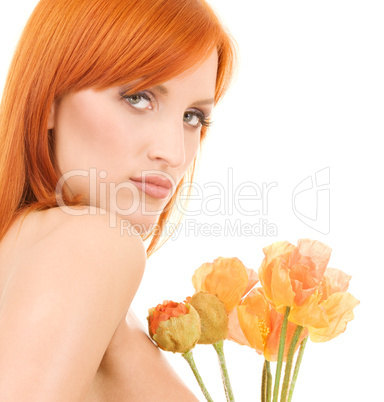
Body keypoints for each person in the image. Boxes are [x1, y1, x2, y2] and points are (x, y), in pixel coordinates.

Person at [0, 0, 236, 400]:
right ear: (49, 100)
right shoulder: (96, 244)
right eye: (139, 97)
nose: (174, 154)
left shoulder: (31, 244)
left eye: (193, 116)